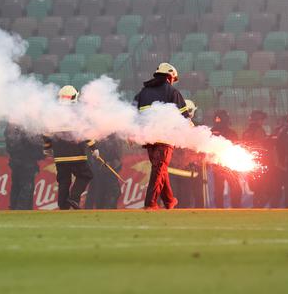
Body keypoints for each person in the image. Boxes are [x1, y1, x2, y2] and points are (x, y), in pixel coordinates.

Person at [133, 63, 190, 210]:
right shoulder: (172, 91)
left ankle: (169, 201)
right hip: (165, 138)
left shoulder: (143, 92)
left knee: (160, 169)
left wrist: (132, 133)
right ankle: (150, 203)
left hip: (149, 138)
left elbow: (132, 113)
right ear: (170, 77)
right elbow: (185, 117)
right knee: (158, 169)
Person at [42, 86, 98, 210]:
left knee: (63, 181)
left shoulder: (53, 113)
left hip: (60, 156)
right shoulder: (78, 112)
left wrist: (47, 148)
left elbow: (46, 134)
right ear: (74, 97)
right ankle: (73, 198)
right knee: (85, 175)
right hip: (77, 154)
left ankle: (63, 206)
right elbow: (86, 132)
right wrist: (94, 148)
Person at [169, 100, 205, 209]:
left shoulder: (170, 125)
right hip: (185, 171)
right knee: (184, 201)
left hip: (172, 170)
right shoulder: (190, 127)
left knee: (174, 201)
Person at [242, 111, 277, 208]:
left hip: (250, 164)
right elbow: (262, 147)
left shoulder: (246, 132)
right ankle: (258, 208)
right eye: (261, 120)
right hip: (260, 164)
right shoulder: (259, 131)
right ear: (258, 120)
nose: (262, 122)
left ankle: (257, 208)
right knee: (265, 190)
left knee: (257, 190)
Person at [5, 124, 43, 210]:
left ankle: (15, 207)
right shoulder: (27, 131)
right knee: (26, 188)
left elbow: (9, 147)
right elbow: (36, 149)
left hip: (15, 163)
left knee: (16, 186)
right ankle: (21, 209)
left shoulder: (10, 129)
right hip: (27, 165)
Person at [211, 110, 243, 208]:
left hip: (218, 165)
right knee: (235, 188)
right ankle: (236, 209)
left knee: (219, 189)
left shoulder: (210, 132)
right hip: (229, 165)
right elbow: (237, 147)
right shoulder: (231, 132)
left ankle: (219, 210)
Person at [85, 133, 122, 209]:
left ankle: (102, 208)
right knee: (108, 190)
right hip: (102, 167)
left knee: (100, 190)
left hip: (104, 167)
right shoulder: (103, 136)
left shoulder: (110, 137)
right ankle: (106, 208)